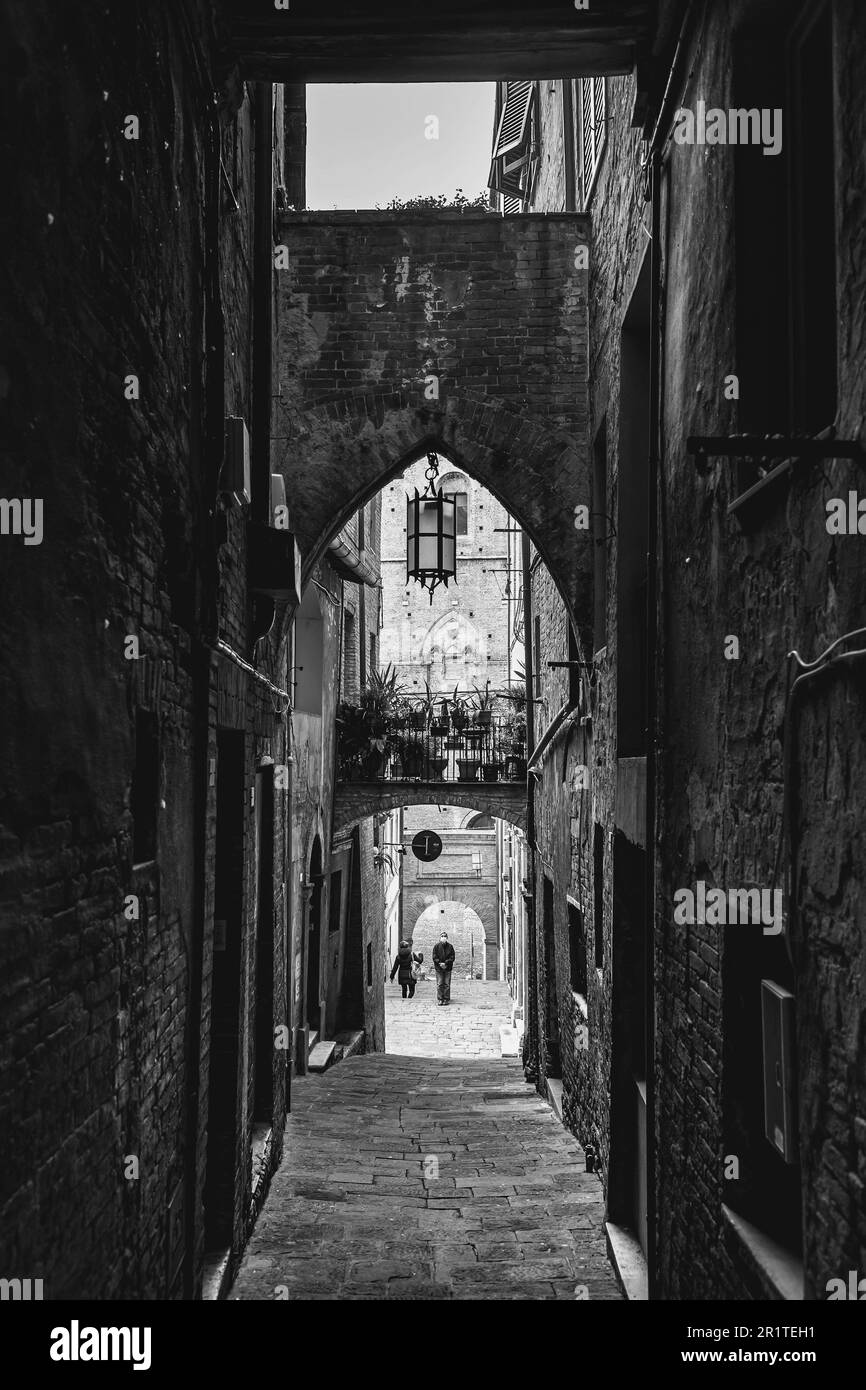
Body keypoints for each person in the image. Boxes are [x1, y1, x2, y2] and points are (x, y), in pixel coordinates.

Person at [432, 931, 456, 1005]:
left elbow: (452, 957)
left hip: (447, 968)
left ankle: (446, 998)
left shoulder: (450, 947)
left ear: (447, 938)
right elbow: (434, 957)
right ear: (440, 938)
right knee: (439, 984)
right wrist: (440, 963)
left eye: (445, 936)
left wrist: (446, 963)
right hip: (439, 968)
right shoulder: (436, 946)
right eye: (442, 936)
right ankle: (440, 999)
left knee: (446, 984)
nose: (443, 937)